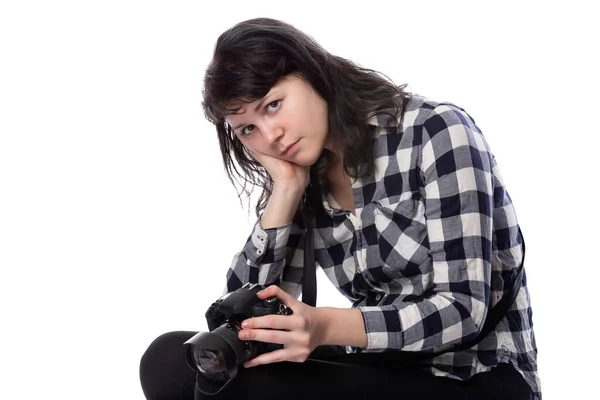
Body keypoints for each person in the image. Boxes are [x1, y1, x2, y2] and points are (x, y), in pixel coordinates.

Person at [139, 17, 541, 400]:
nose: (271, 135)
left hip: (474, 377)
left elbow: (463, 310)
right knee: (171, 361)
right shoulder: (305, 175)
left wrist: (325, 325)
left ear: (313, 73)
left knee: (238, 390)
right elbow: (240, 323)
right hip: (381, 372)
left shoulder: (436, 132)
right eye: (248, 129)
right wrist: (287, 190)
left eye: (273, 104)